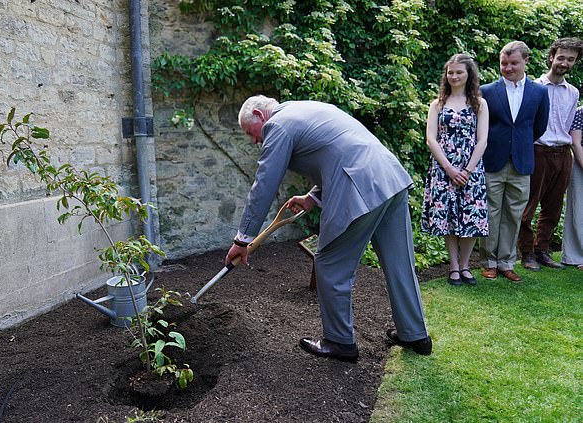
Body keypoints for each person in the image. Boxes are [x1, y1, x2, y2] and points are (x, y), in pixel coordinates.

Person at [225, 95, 431, 362]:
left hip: (359, 187)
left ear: (259, 114)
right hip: (389, 178)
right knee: (400, 263)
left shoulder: (277, 126)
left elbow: (265, 184)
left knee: (330, 264)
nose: (254, 140)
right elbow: (339, 151)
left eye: (249, 132)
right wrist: (312, 197)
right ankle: (416, 335)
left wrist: (242, 239)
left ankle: (339, 342)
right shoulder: (306, 109)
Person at [479, 41, 550, 282]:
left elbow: (539, 126)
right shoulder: (487, 91)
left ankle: (507, 262)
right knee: (490, 212)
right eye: (504, 63)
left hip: (522, 162)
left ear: (525, 61)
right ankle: (489, 262)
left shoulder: (539, 92)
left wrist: (520, 143)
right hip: (492, 160)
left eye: (513, 63)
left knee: (513, 214)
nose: (508, 68)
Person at [421, 54, 489, 286]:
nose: (454, 76)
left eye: (459, 72)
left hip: (471, 169)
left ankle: (466, 265)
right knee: (448, 216)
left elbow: (482, 141)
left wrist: (467, 170)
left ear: (469, 74)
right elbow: (431, 139)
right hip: (443, 169)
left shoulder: (479, 103)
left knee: (470, 216)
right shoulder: (437, 104)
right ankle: (453, 267)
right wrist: (449, 169)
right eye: (450, 72)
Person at [519, 37, 583, 271]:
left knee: (553, 208)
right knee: (529, 205)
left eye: (571, 59)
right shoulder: (533, 87)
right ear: (551, 57)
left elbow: (568, 126)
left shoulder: (573, 93)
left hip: (563, 153)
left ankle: (542, 251)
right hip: (538, 151)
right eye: (561, 57)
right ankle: (526, 253)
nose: (564, 63)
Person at [561, 106, 583, 270]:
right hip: (580, 162)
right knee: (578, 209)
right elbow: (575, 142)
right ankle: (576, 255)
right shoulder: (580, 112)